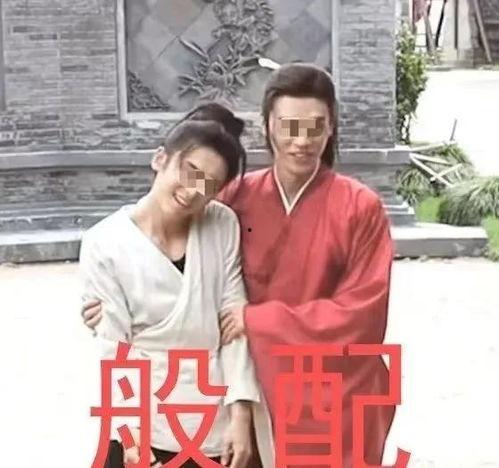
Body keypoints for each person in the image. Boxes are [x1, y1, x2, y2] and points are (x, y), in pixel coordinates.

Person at [83, 63, 395, 466]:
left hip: (334, 387)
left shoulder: (361, 207)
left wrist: (257, 320)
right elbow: (166, 242)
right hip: (256, 384)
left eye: (315, 127)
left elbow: (363, 316)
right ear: (267, 126)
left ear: (332, 127)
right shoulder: (233, 199)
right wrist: (108, 303)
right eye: (288, 126)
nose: (302, 141)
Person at [79, 108, 273, 468]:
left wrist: (241, 414)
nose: (193, 191)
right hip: (146, 416)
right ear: (160, 159)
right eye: (190, 172)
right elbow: (114, 349)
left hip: (215, 419)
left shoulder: (222, 224)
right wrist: (132, 438)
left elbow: (233, 325)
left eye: (209, 185)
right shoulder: (104, 242)